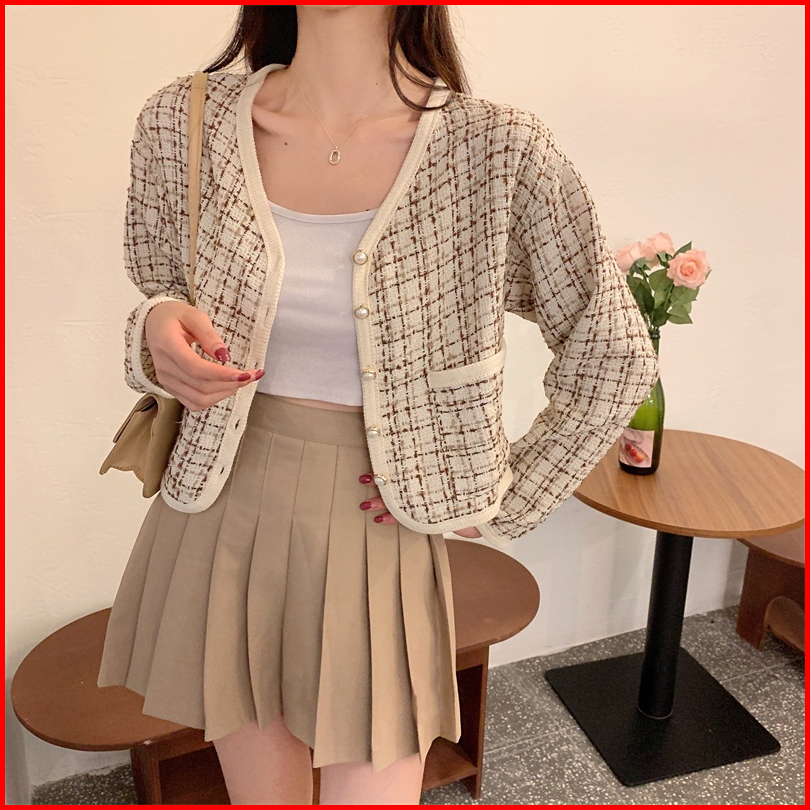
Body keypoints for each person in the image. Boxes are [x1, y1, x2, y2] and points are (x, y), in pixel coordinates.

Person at [97, 4, 659, 805]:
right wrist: (153, 330)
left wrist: (503, 496)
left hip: (378, 522)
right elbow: (159, 294)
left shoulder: (497, 150)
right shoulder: (181, 123)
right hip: (220, 511)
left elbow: (614, 352)